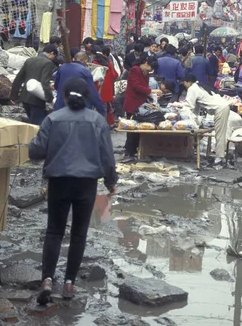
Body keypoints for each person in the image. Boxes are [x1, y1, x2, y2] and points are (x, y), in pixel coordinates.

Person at [30, 77, 117, 304]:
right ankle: (69, 283)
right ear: (87, 97)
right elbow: (108, 157)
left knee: (54, 231)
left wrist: (33, 144)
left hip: (58, 182)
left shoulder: (52, 119)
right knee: (79, 234)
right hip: (86, 185)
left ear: (65, 96)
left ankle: (47, 280)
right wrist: (111, 182)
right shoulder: (98, 122)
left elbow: (37, 151)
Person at [182, 74, 231, 166]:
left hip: (220, 109)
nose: (184, 85)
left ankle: (219, 159)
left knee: (219, 133)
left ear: (188, 82)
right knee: (221, 133)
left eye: (184, 83)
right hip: (223, 107)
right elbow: (195, 109)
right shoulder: (198, 86)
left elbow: (189, 106)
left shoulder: (192, 89)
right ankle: (221, 157)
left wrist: (177, 107)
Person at [123, 56, 162, 158]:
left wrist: (151, 95)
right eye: (150, 68)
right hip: (133, 102)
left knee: (139, 127)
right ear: (145, 63)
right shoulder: (135, 70)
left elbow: (144, 88)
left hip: (141, 103)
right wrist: (151, 91)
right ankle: (129, 151)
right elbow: (136, 86)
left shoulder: (146, 73)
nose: (150, 70)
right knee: (132, 127)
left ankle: (135, 148)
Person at [10, 45, 57, 125]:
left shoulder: (30, 60)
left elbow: (18, 79)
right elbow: (44, 82)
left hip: (24, 97)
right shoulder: (48, 63)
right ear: (52, 53)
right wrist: (49, 98)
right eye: (54, 56)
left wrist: (13, 96)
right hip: (36, 98)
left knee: (32, 123)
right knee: (37, 126)